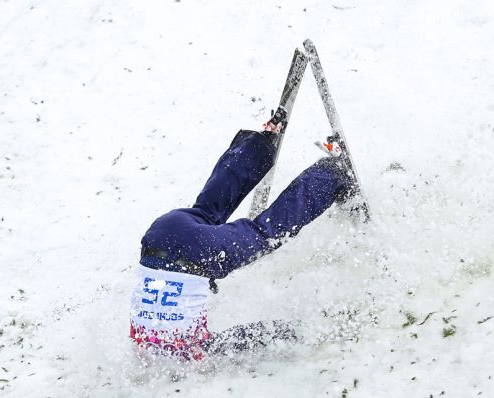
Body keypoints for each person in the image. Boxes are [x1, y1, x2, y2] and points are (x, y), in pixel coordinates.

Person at [130, 108, 357, 360]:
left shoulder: (193, 355)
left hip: (195, 253)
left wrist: (292, 332)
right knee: (207, 209)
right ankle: (260, 142)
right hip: (161, 232)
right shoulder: (141, 344)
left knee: (264, 233)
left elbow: (246, 337)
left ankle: (331, 175)